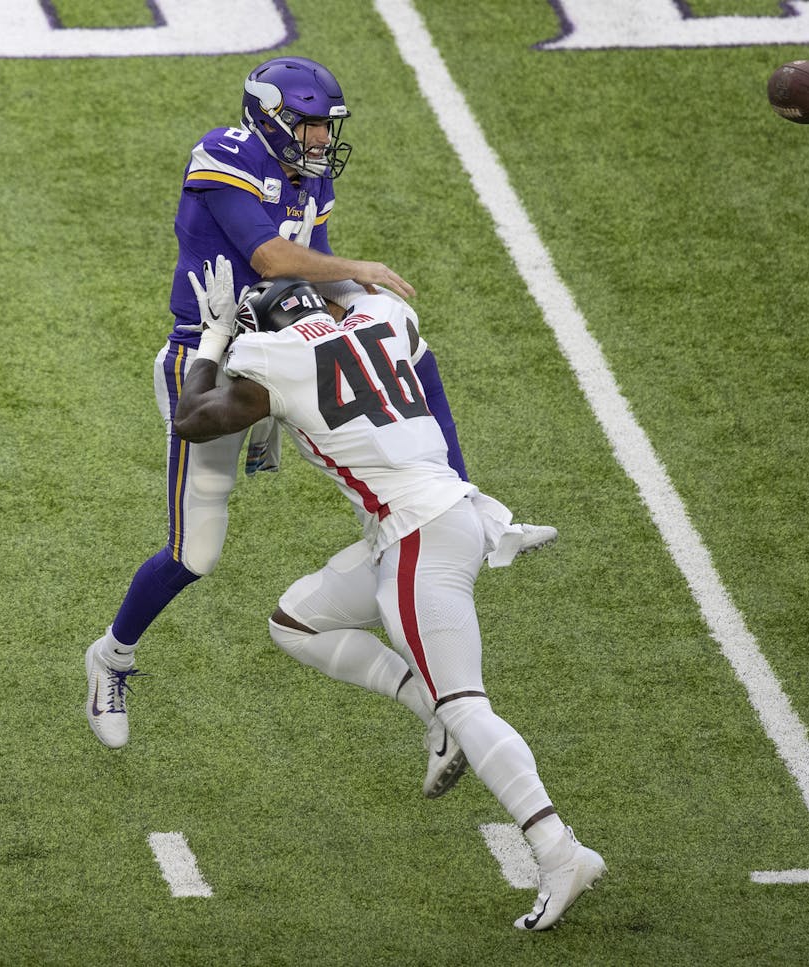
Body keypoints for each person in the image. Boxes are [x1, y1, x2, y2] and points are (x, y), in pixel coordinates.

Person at [85, 55, 555, 750]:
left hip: (290, 353)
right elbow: (272, 258)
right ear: (269, 117)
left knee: (398, 375)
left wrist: (370, 308)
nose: (318, 141)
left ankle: (463, 500)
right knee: (196, 553)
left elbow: (319, 267)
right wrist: (357, 273)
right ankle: (111, 656)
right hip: (211, 360)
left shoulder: (312, 174)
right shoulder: (223, 154)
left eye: (323, 128)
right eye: (308, 126)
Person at [169, 259, 605, 932]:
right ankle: (432, 713)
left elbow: (192, 419)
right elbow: (354, 295)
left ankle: (558, 848)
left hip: (415, 538)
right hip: (438, 516)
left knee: (469, 705)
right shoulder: (381, 317)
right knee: (296, 620)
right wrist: (323, 273)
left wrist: (214, 336)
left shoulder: (273, 355)